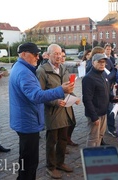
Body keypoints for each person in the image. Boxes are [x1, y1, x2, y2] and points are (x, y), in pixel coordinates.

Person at [9, 42, 74, 180]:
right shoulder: (25, 72)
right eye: (35, 54)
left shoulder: (21, 68)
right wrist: (60, 90)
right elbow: (37, 95)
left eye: (38, 54)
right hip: (28, 120)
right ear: (24, 54)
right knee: (30, 161)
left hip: (25, 119)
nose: (37, 57)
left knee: (26, 158)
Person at [36, 44, 76, 179]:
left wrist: (74, 97)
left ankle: (60, 162)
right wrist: (55, 101)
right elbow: (39, 94)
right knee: (51, 141)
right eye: (55, 54)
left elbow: (68, 88)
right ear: (47, 55)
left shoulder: (64, 68)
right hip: (52, 112)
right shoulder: (42, 71)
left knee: (63, 139)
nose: (58, 56)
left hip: (65, 110)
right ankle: (50, 167)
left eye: (60, 54)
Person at [82, 53, 118, 147]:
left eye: (104, 62)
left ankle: (96, 156)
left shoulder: (103, 75)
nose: (102, 64)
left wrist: (112, 98)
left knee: (100, 136)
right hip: (95, 114)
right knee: (93, 138)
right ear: (93, 63)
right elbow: (87, 99)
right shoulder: (88, 78)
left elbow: (106, 92)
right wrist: (94, 117)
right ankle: (90, 159)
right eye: (100, 62)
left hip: (104, 112)